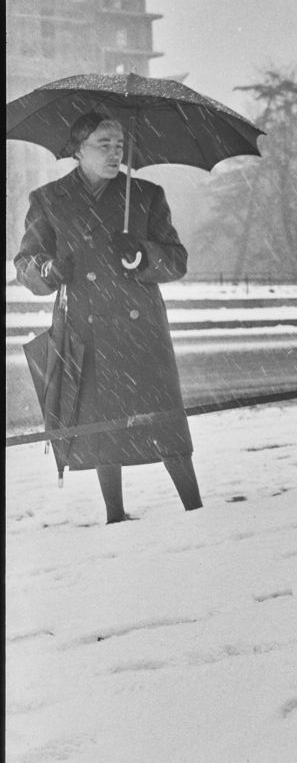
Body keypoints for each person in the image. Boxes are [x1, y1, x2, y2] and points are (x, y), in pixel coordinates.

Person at [14, 111, 202, 524]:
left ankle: (194, 506)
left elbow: (177, 260)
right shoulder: (48, 200)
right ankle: (114, 513)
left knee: (164, 420)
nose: (115, 152)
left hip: (141, 329)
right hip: (85, 326)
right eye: (104, 144)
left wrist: (142, 256)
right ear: (78, 150)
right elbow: (25, 262)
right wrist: (47, 270)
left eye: (119, 145)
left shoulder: (146, 195)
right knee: (102, 422)